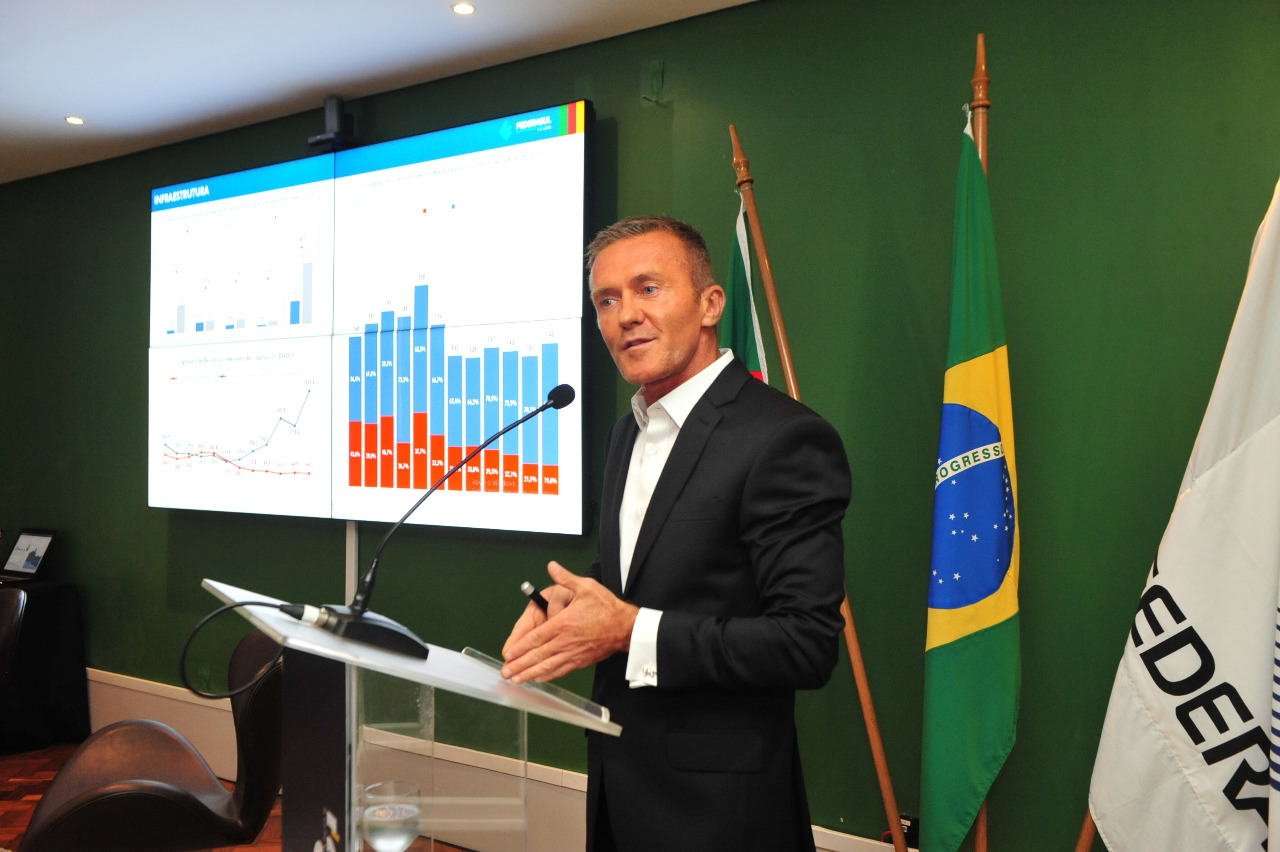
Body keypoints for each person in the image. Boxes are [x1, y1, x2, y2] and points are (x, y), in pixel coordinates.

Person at [501, 216, 851, 852]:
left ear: (711, 304)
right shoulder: (627, 429)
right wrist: (571, 600)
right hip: (618, 783)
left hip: (720, 813)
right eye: (607, 300)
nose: (626, 315)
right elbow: (650, 568)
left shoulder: (783, 439)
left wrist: (628, 630)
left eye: (648, 289)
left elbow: (806, 643)